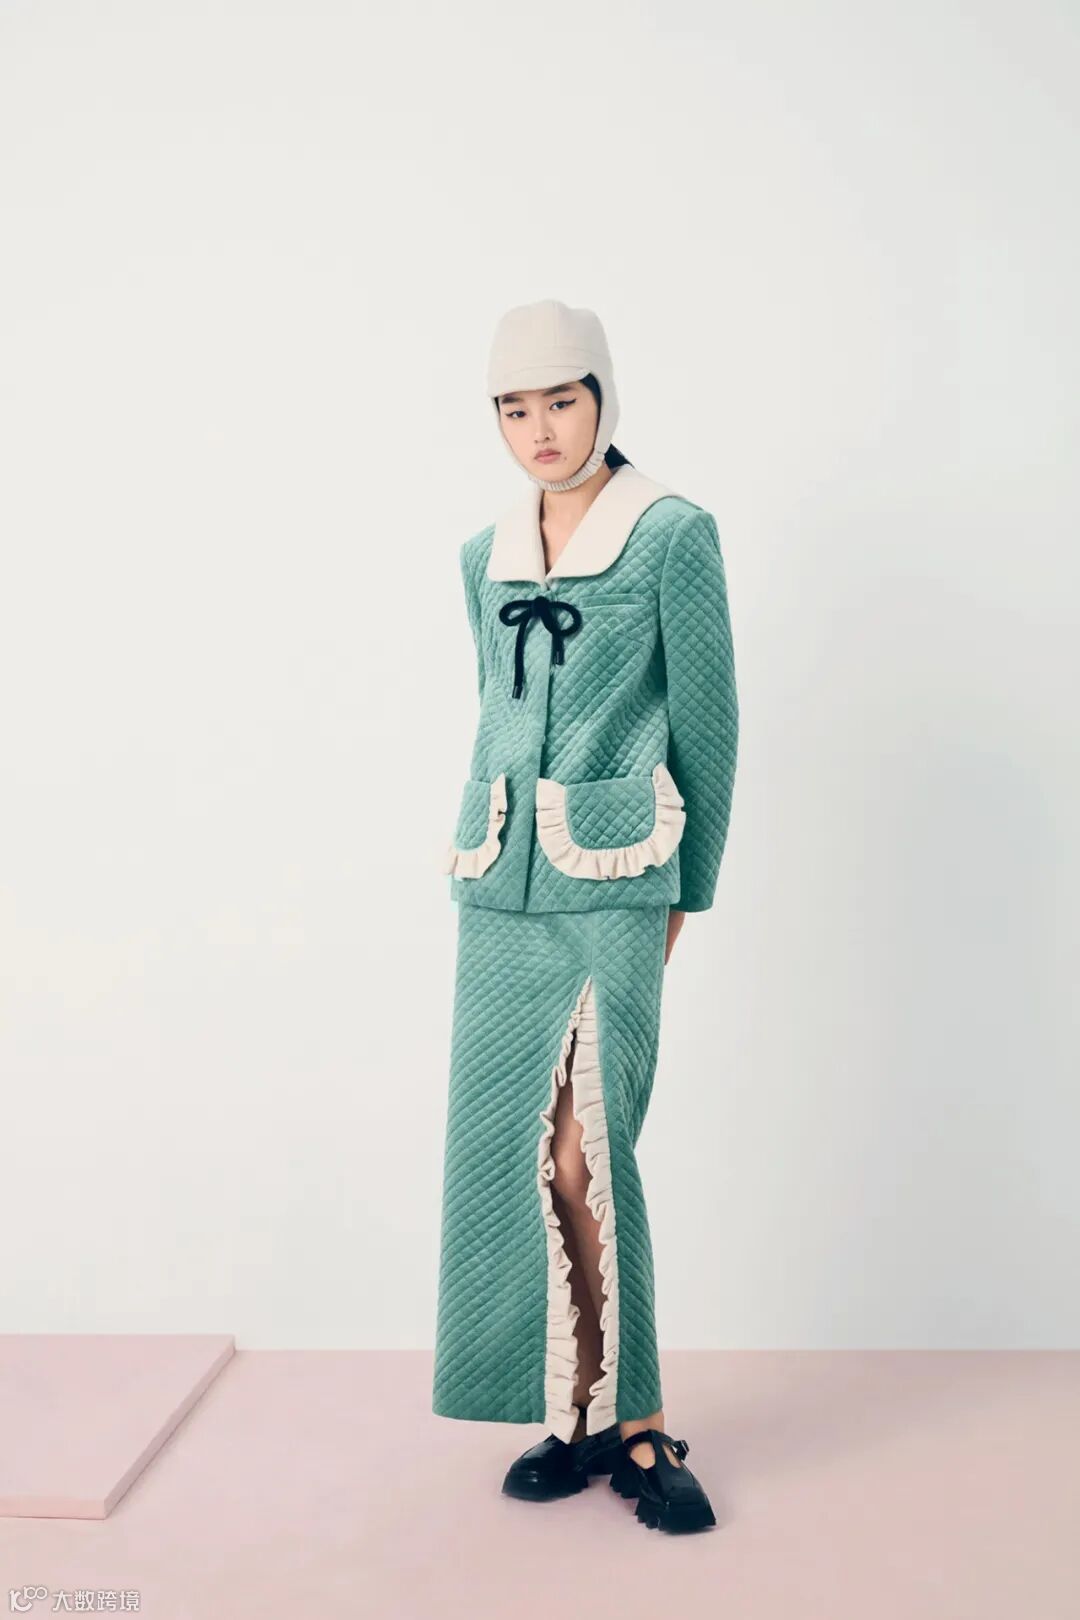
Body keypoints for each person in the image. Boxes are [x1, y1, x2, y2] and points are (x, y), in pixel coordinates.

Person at [431, 298, 739, 1534]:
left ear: (603, 397)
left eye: (562, 400)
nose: (541, 429)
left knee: (592, 1150)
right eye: (515, 408)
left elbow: (710, 726)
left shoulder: (672, 534)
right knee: (515, 1157)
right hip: (498, 886)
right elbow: (495, 710)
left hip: (617, 878)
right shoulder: (483, 555)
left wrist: (688, 892)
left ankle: (643, 1420)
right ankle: (574, 1411)